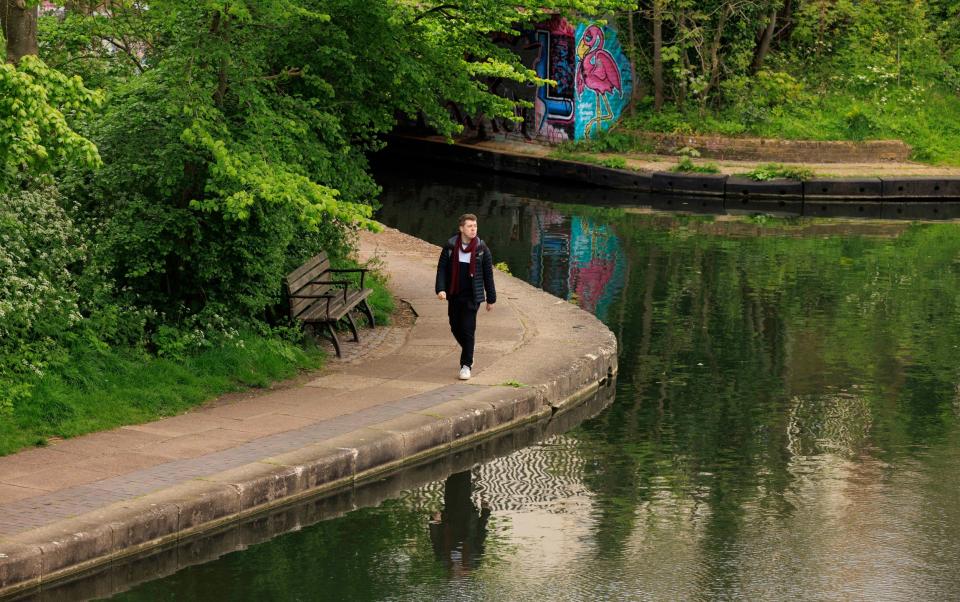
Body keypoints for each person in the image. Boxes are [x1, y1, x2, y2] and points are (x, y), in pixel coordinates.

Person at [435, 213, 496, 380]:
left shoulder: (482, 249)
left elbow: (488, 275)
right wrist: (440, 289)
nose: (473, 229)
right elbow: (441, 269)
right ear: (461, 228)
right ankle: (469, 350)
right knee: (455, 326)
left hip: (472, 296)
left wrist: (491, 298)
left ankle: (466, 365)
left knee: (468, 328)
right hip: (454, 294)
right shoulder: (450, 247)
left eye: (475, 226)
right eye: (470, 226)